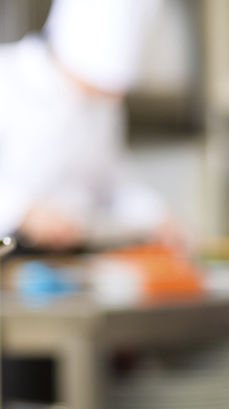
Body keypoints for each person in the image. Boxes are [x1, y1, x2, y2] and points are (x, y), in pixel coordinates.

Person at [0, 0, 171, 252]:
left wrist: (156, 217)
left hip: (71, 257)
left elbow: (113, 182)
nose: (109, 97)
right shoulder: (8, 77)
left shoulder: (103, 104)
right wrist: (22, 212)